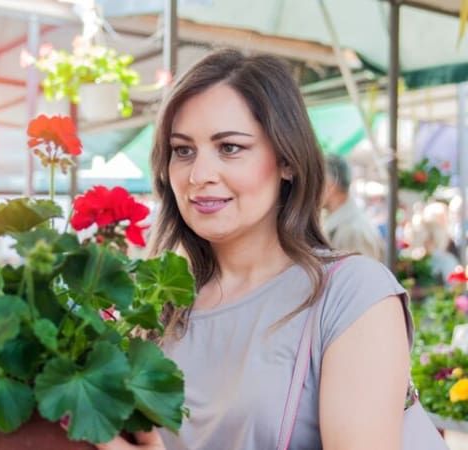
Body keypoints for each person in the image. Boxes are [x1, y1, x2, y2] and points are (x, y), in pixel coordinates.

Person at [100, 49, 411, 449]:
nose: (199, 175)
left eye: (230, 147)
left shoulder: (351, 294)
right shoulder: (157, 304)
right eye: (183, 150)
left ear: (287, 160)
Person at [321, 154, 385, 262]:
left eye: (317, 181)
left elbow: (362, 272)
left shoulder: (353, 232)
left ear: (331, 185)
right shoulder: (344, 225)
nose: (312, 189)